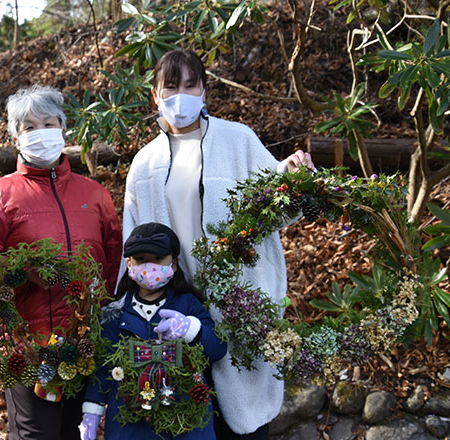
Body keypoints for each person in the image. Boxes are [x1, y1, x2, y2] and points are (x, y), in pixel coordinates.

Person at [121, 48, 314, 439]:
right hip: (175, 308)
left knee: (245, 424)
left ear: (205, 90)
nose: (181, 95)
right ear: (155, 95)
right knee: (189, 415)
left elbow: (274, 199)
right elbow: (133, 240)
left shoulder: (237, 140)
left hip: (240, 303)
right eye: (171, 86)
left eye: (191, 85)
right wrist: (127, 305)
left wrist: (293, 177)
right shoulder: (144, 163)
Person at [0, 85, 122, 440]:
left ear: (63, 128)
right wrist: (23, 273)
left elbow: (113, 259)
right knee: (35, 435)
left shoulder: (96, 194)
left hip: (84, 341)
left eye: (48, 123)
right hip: (28, 346)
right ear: (14, 137)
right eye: (29, 127)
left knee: (76, 432)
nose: (40, 132)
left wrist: (98, 313)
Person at [80, 222, 227, 439]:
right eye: (141, 259)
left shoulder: (188, 304)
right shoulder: (114, 313)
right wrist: (92, 411)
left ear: (174, 264)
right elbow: (103, 367)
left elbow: (217, 349)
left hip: (186, 419)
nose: (149, 267)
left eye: (158, 259)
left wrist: (190, 329)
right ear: (129, 263)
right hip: (129, 421)